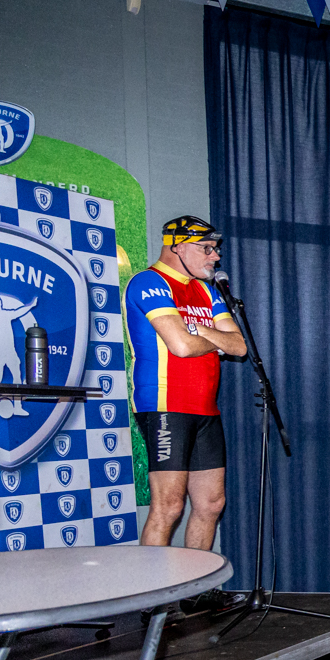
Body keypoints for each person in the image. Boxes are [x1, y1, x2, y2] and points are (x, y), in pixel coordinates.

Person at [125, 216, 248, 550]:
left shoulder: (206, 289)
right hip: (166, 404)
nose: (215, 256)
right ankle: (153, 585)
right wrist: (215, 338)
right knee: (169, 507)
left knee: (211, 504)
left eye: (215, 249)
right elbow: (180, 346)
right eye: (206, 248)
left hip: (205, 408)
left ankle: (196, 582)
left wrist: (199, 330)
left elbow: (238, 347)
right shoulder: (149, 282)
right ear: (177, 247)